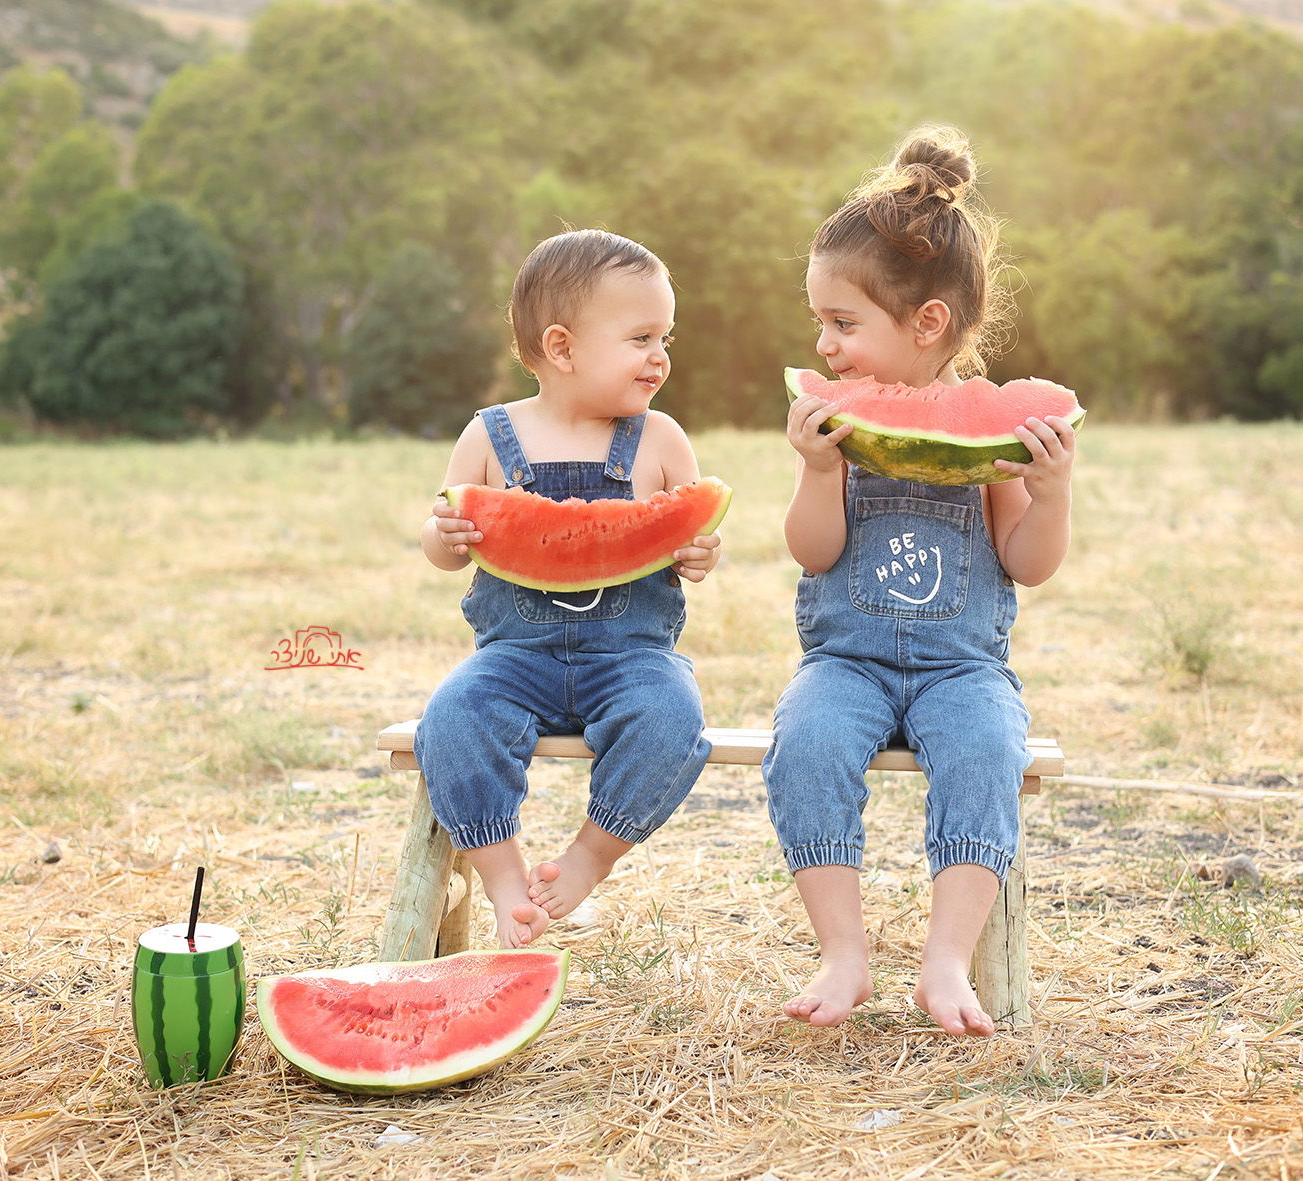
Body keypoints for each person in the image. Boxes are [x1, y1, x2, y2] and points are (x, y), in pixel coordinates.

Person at [764, 127, 1076, 1036]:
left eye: (844, 324)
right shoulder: (833, 428)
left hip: (962, 670)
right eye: (819, 323)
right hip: (847, 662)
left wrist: (1049, 491)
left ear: (927, 323)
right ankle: (844, 951)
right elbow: (812, 553)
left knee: (988, 751)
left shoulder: (992, 439)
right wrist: (819, 474)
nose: (824, 345)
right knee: (806, 743)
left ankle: (947, 961)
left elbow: (1030, 562)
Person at [415, 229, 722, 948]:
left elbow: (688, 547)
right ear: (562, 347)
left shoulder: (661, 440)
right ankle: (503, 877)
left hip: (633, 658)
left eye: (665, 337)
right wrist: (445, 536)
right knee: (451, 719)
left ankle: (590, 856)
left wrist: (696, 553)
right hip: (515, 659)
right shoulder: (489, 436)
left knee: (674, 720)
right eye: (641, 336)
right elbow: (445, 547)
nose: (660, 356)